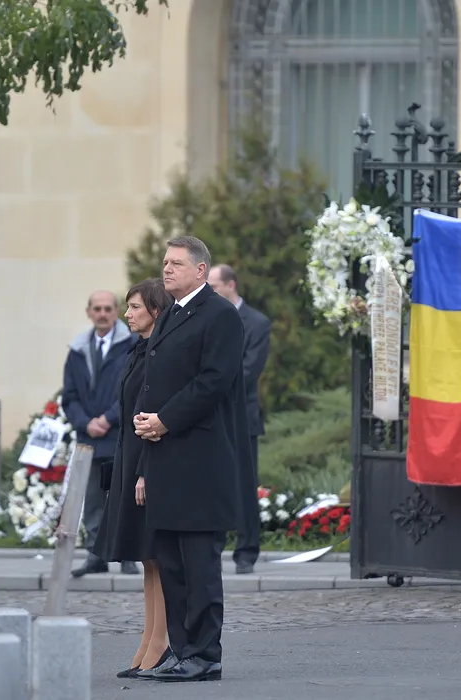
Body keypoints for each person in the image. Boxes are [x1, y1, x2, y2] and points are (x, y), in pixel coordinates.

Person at [132, 236, 249, 682]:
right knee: (172, 562)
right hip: (165, 457)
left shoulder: (220, 315)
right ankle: (181, 651)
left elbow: (213, 381)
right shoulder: (171, 314)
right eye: (165, 262)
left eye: (176, 263)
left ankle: (204, 654)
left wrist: (165, 419)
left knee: (198, 564)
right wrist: (147, 425)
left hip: (200, 459)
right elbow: (155, 380)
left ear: (201, 270)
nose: (166, 269)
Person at [94, 278, 175, 678]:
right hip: (130, 458)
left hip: (148, 461)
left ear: (156, 311)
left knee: (156, 555)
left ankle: (160, 641)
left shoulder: (160, 355)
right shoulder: (139, 349)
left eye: (135, 307)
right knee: (147, 558)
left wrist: (144, 471)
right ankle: (149, 638)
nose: (127, 314)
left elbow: (154, 414)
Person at [63, 290, 139, 577]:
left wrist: (107, 419)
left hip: (120, 435)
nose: (103, 314)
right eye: (97, 309)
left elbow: (134, 389)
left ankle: (128, 555)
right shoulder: (78, 350)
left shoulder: (131, 344)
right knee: (94, 500)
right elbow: (69, 396)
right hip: (89, 438)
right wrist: (86, 423)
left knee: (123, 497)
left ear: (116, 311)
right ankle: (96, 556)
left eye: (108, 308)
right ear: (89, 313)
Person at [208, 264, 271, 575]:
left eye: (214, 286)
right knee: (211, 484)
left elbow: (249, 370)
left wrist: (207, 387)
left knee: (244, 486)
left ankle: (246, 552)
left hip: (240, 416)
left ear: (230, 285)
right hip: (209, 415)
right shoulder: (207, 318)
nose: (209, 292)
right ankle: (211, 548)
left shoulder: (257, 323)